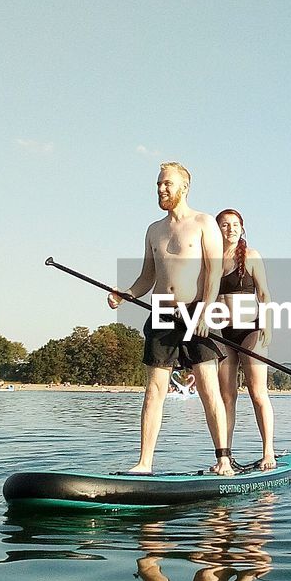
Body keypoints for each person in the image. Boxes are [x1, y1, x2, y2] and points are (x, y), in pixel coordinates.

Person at [109, 163, 234, 475]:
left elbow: (214, 272)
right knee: (154, 388)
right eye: (158, 184)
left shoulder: (205, 223)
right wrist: (124, 293)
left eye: (167, 184)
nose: (161, 189)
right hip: (162, 309)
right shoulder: (154, 230)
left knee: (208, 388)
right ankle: (144, 463)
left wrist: (206, 310)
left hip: (197, 311)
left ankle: (223, 460)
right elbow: (147, 278)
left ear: (184, 188)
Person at [215, 209, 276, 470]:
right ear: (216, 229)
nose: (230, 229)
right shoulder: (210, 261)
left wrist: (268, 325)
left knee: (257, 393)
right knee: (226, 396)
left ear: (242, 228)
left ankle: (268, 452)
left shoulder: (250, 256)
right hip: (223, 333)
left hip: (252, 330)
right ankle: (224, 457)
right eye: (225, 225)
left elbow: (264, 293)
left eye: (235, 224)